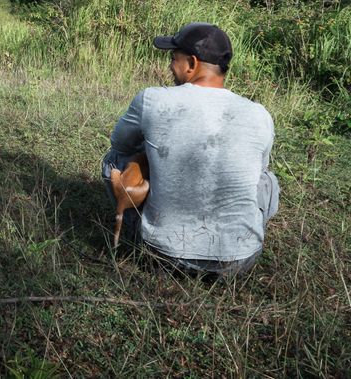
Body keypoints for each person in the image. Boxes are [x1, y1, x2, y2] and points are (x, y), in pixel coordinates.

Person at [102, 23, 280, 276]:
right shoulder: (259, 113)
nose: (169, 67)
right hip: (240, 262)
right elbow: (257, 172)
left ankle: (136, 223)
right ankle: (238, 236)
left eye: (173, 59)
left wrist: (154, 154)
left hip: (161, 256)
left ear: (192, 64)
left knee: (115, 160)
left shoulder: (153, 99)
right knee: (266, 179)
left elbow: (120, 144)